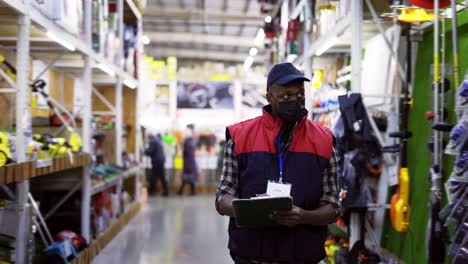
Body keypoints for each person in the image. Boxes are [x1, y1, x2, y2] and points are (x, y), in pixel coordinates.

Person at [215, 62, 342, 264]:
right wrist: (253, 210)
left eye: (300, 95)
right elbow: (223, 198)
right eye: (285, 96)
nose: (295, 100)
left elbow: (334, 205)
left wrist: (304, 216)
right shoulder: (240, 138)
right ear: (269, 98)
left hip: (302, 254)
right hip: (251, 255)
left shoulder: (324, 141)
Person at [144, 132, 168, 197]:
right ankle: (157, 190)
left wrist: (144, 151)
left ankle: (152, 191)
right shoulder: (157, 139)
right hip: (160, 160)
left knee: (155, 176)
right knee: (159, 176)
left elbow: (150, 151)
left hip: (157, 161)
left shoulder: (153, 141)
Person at [178, 124, 199, 195]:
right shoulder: (191, 142)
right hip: (190, 163)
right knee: (189, 178)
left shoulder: (187, 143)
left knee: (186, 178)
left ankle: (181, 191)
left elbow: (187, 154)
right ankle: (191, 191)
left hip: (188, 163)